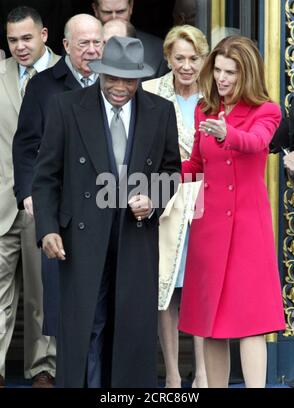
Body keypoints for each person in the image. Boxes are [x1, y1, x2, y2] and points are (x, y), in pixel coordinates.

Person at [32, 36, 181, 388]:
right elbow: (46, 175)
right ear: (99, 73)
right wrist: (48, 228)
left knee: (129, 328)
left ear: (139, 79)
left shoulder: (160, 111)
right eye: (112, 77)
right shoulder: (66, 107)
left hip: (135, 233)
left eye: (128, 79)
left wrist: (153, 199)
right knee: (88, 326)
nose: (119, 87)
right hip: (82, 237)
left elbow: (171, 171)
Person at [178, 35, 285, 388]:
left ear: (247, 75)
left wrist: (228, 133)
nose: (222, 78)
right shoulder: (204, 109)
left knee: (250, 325)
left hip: (246, 231)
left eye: (231, 73)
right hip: (208, 230)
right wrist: (154, 177)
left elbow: (258, 143)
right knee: (211, 325)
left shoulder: (266, 110)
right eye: (218, 70)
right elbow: (195, 164)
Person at [12, 13, 103, 339]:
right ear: (65, 46)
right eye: (84, 44)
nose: (92, 50)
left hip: (107, 208)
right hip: (62, 211)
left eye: (97, 43)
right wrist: (27, 195)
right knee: (64, 311)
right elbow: (25, 147)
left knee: (103, 309)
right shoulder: (43, 85)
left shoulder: (116, 84)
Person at [143, 24, 208, 388]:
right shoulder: (150, 91)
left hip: (206, 203)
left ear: (204, 59)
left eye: (193, 58)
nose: (186, 66)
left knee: (199, 289)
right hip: (165, 203)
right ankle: (170, 373)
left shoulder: (217, 96)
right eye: (179, 58)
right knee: (164, 290)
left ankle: (201, 372)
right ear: (167, 58)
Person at [0, 6, 60, 387]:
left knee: (43, 294)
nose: (20, 46)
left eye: (27, 37)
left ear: (44, 35)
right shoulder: (0, 73)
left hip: (45, 202)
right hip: (2, 203)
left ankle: (43, 369)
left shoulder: (65, 76)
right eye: (12, 40)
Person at [91, 0, 169, 79]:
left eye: (120, 11)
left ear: (131, 7)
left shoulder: (157, 52)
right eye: (107, 12)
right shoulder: (84, 51)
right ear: (95, 10)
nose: (114, 18)